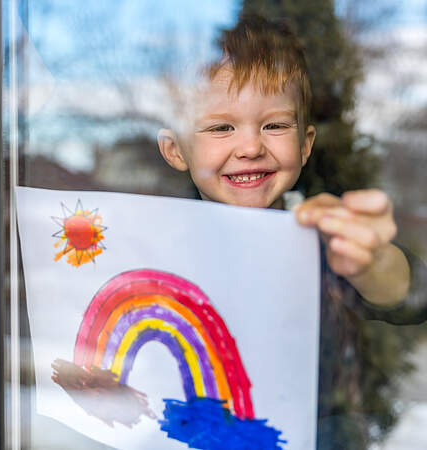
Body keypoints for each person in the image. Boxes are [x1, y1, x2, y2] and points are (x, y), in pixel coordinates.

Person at [156, 13, 427, 448]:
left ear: (305, 145)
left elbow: (408, 296)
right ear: (176, 150)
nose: (250, 147)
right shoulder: (156, 244)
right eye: (221, 127)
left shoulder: (319, 231)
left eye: (275, 125)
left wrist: (372, 260)